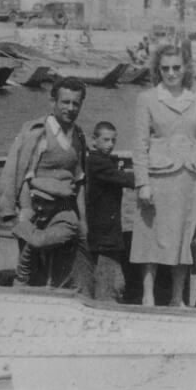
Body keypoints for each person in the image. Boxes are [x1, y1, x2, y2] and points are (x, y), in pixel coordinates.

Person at [131, 42, 196, 307]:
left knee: (183, 238)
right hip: (157, 179)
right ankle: (148, 296)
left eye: (176, 67)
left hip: (189, 179)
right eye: (165, 68)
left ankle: (178, 297)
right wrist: (142, 183)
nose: (171, 73)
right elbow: (139, 145)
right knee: (151, 238)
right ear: (158, 70)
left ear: (186, 68)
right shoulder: (147, 99)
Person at [0, 78, 88, 227]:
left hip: (65, 214)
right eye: (65, 102)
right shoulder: (38, 132)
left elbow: (79, 183)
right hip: (36, 212)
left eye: (76, 103)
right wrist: (24, 214)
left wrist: (83, 222)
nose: (71, 108)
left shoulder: (78, 136)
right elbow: (20, 176)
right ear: (53, 102)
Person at [12, 171, 90, 289]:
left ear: (59, 204)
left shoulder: (67, 220)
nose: (40, 207)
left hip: (75, 292)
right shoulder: (40, 220)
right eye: (37, 201)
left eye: (48, 203)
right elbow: (28, 249)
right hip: (54, 289)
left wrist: (23, 224)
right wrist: (20, 282)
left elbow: (38, 241)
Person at [85, 121, 135, 301]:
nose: (110, 145)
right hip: (105, 236)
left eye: (113, 140)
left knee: (108, 279)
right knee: (112, 284)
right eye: (105, 140)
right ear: (94, 140)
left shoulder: (100, 161)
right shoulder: (98, 162)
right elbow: (126, 179)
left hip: (104, 233)